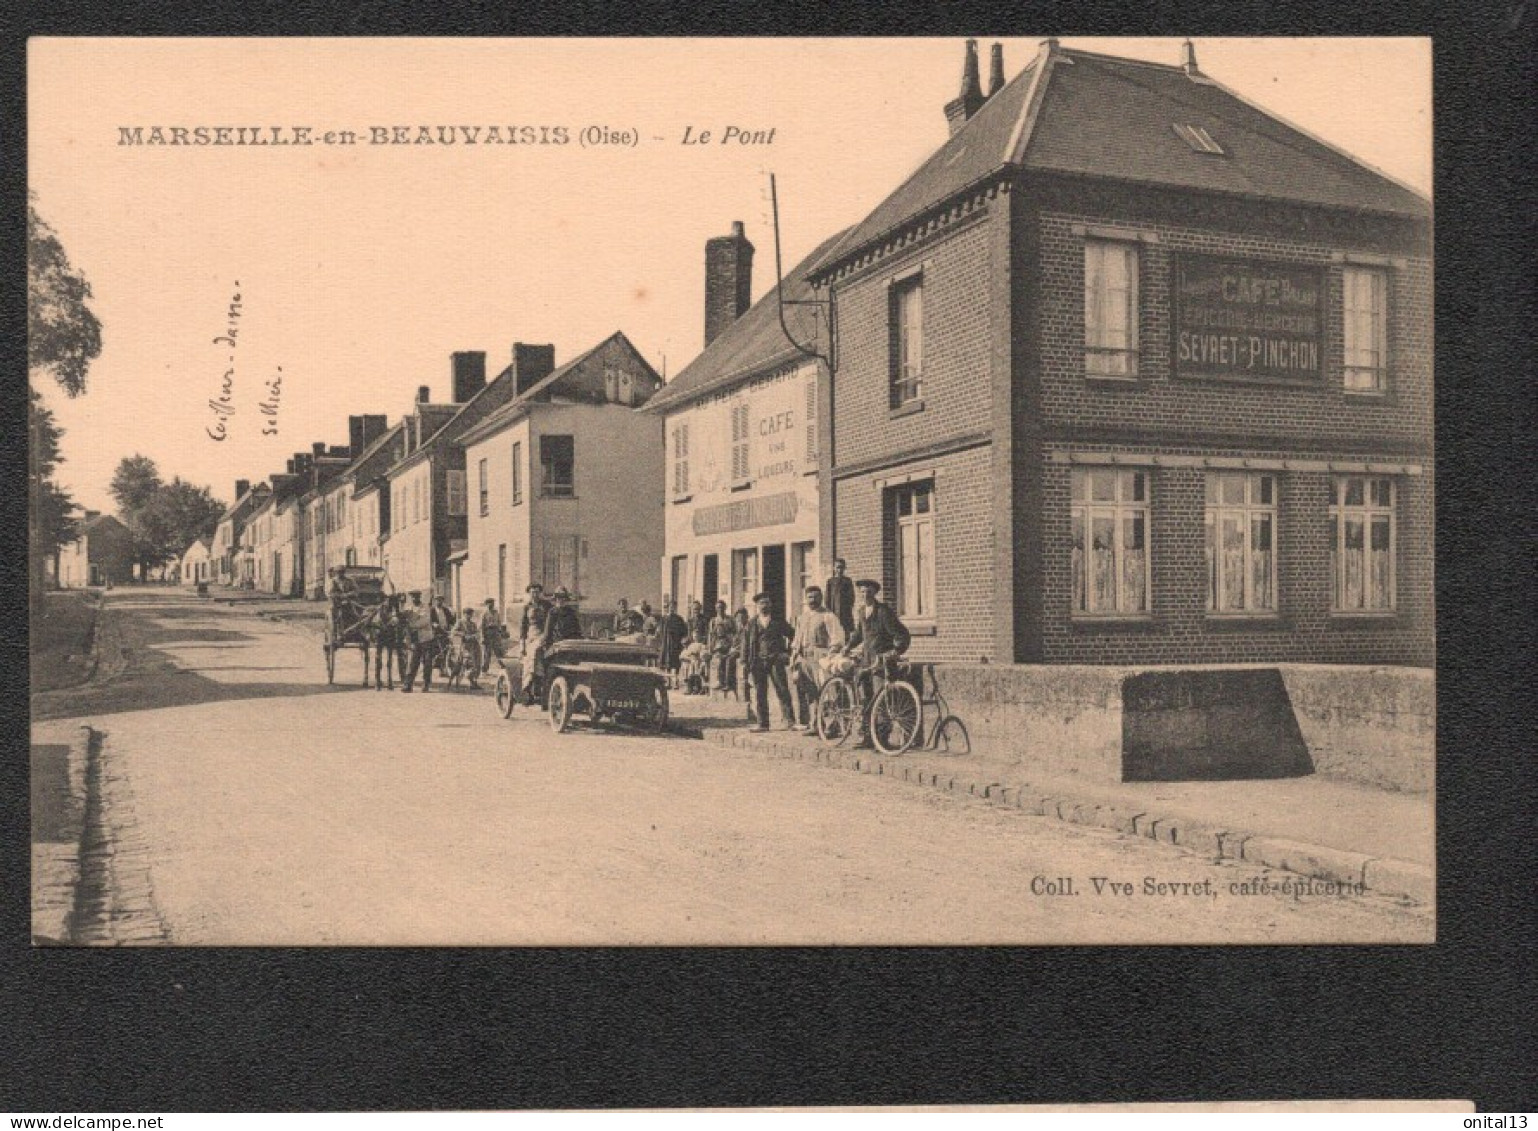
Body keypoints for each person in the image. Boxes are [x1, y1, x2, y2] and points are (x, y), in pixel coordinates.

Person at [842, 578, 911, 746]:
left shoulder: (883, 612)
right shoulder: (861, 611)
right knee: (866, 699)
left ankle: (882, 738)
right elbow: (859, 634)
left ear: (875, 593)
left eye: (869, 591)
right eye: (863, 591)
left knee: (882, 699)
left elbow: (901, 634)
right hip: (866, 661)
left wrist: (895, 651)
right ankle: (867, 737)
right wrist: (848, 646)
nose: (865, 594)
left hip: (882, 662)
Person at [789, 585, 846, 731]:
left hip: (821, 658)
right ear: (805, 599)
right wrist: (794, 656)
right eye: (809, 597)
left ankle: (834, 725)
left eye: (816, 597)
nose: (812, 600)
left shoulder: (828, 616)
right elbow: (797, 639)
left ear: (821, 598)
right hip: (804, 659)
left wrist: (831, 654)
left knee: (827, 691)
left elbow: (837, 638)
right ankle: (815, 724)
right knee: (810, 692)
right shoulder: (802, 617)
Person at [740, 592, 796, 731]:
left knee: (782, 689)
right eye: (761, 603)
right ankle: (763, 723)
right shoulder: (751, 624)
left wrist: (787, 653)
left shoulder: (778, 621)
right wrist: (744, 662)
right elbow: (745, 644)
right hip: (758, 661)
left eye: (766, 603)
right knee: (760, 692)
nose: (764, 606)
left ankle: (789, 720)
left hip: (775, 660)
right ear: (757, 606)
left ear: (771, 605)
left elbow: (793, 634)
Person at [518, 583, 552, 698]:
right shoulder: (527, 607)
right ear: (529, 593)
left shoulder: (547, 605)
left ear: (540, 593)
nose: (535, 595)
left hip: (545, 633)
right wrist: (522, 643)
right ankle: (527, 683)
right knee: (532, 653)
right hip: (531, 635)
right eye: (532, 592)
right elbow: (523, 627)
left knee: (542, 652)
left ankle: (540, 682)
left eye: (537, 592)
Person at [400, 591, 434, 693]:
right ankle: (408, 685)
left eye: (416, 597)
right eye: (413, 597)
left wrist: (411, 624)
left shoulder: (425, 608)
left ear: (420, 597)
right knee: (412, 663)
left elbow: (424, 621)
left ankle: (426, 684)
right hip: (415, 640)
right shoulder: (409, 608)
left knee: (427, 662)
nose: (415, 599)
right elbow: (402, 616)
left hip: (426, 638)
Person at [654, 596, 690, 689]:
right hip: (665, 644)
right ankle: (668, 682)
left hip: (675, 644)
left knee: (675, 664)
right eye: (670, 606)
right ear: (668, 607)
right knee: (667, 664)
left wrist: (682, 641)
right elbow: (659, 632)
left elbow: (684, 631)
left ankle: (676, 682)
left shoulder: (679, 619)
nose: (672, 608)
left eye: (674, 606)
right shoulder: (664, 619)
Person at [705, 600, 736, 695]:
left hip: (728, 644)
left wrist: (733, 645)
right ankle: (719, 681)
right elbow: (711, 636)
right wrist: (710, 648)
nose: (720, 610)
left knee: (729, 659)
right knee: (719, 659)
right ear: (716, 609)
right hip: (718, 645)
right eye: (718, 608)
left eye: (722, 607)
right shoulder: (713, 621)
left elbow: (734, 633)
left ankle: (728, 683)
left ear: (725, 608)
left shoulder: (730, 619)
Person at [824, 557, 857, 638]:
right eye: (838, 567)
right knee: (833, 632)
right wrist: (829, 611)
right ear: (834, 568)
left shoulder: (847, 581)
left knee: (846, 632)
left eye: (842, 567)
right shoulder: (830, 581)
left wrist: (848, 608)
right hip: (833, 611)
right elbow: (827, 598)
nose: (840, 570)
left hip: (845, 612)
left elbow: (851, 597)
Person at [452, 607, 481, 689]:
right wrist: (464, 635)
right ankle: (468, 681)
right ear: (464, 614)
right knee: (468, 663)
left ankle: (474, 682)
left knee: (477, 663)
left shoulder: (473, 624)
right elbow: (454, 631)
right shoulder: (460, 622)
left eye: (471, 614)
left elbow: (477, 632)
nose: (470, 616)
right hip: (466, 646)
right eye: (468, 614)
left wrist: (476, 635)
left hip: (475, 645)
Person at [479, 597, 506, 673]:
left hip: (496, 633)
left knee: (499, 651)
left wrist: (500, 632)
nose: (491, 605)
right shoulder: (484, 614)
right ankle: (484, 670)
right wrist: (483, 637)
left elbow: (499, 623)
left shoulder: (496, 612)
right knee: (487, 653)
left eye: (492, 603)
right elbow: (482, 627)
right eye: (489, 603)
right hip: (488, 633)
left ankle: (503, 667)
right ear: (486, 604)